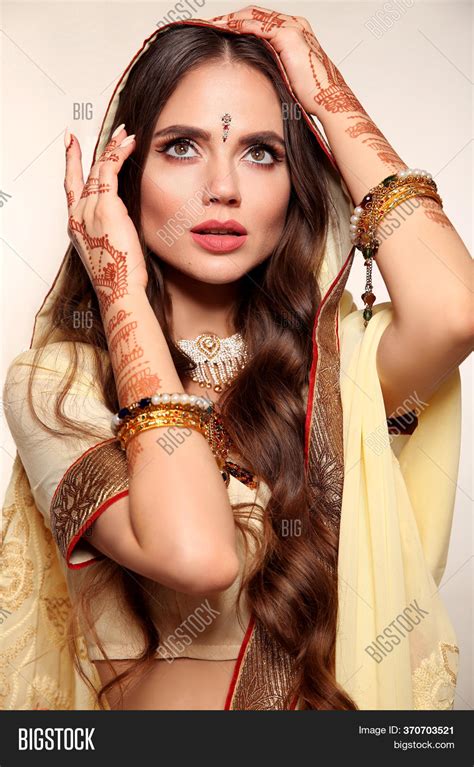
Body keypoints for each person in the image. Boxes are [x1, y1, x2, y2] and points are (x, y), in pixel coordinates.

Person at [1, 12, 472, 711]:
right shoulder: (63, 384)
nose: (222, 187)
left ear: (296, 185)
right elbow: (199, 556)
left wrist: (326, 93)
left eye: (262, 153)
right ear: (125, 179)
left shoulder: (328, 371)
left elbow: (454, 311)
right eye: (182, 147)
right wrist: (121, 292)